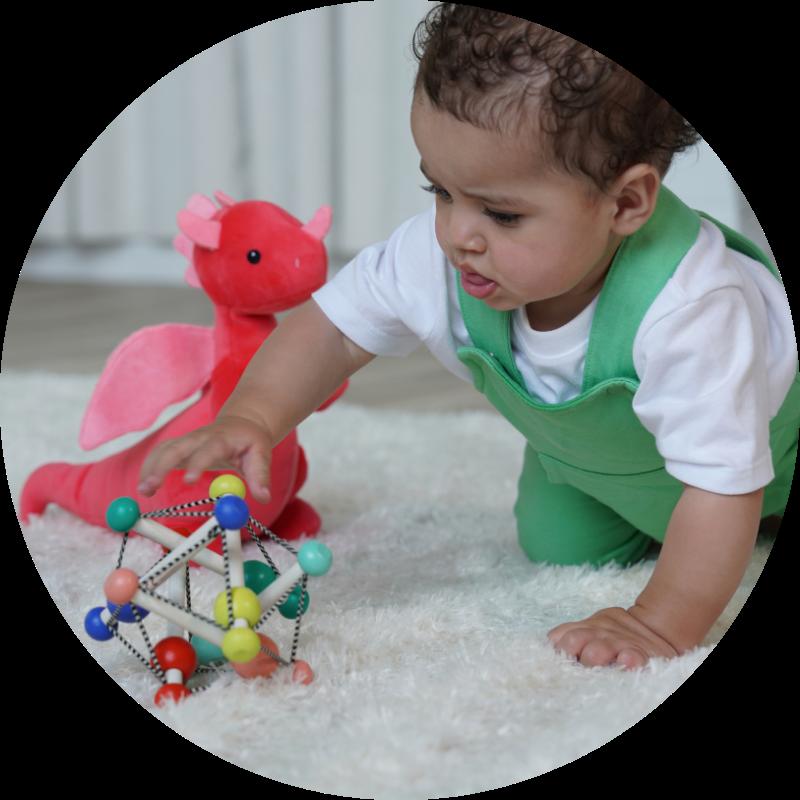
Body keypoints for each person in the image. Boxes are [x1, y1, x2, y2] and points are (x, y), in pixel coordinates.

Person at [138, 5, 799, 670]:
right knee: (555, 547)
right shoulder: (444, 258)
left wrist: (657, 622)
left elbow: (725, 485)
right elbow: (332, 332)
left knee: (732, 516)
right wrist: (254, 416)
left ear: (625, 204)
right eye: (441, 190)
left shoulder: (693, 308)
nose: (458, 234)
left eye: (502, 214)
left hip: (759, 456)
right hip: (594, 463)